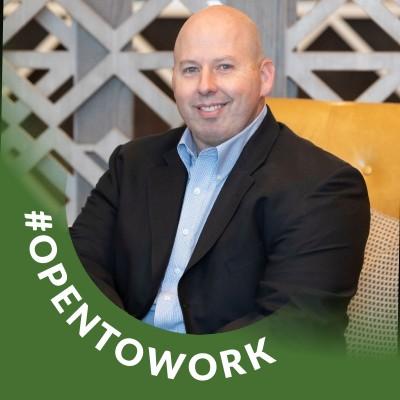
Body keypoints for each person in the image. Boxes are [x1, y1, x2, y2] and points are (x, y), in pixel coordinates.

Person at [70, 5, 370, 338]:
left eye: (224, 67)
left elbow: (293, 331)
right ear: (173, 80)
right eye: (190, 69)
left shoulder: (324, 187)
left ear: (264, 77)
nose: (205, 85)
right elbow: (79, 268)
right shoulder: (132, 163)